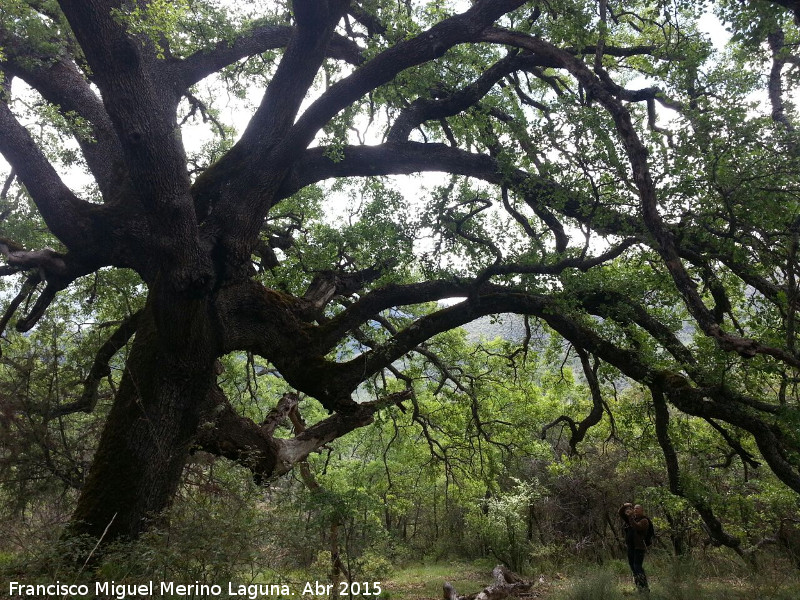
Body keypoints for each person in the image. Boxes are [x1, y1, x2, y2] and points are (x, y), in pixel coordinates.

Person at [618, 502, 650, 592]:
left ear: (642, 510)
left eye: (637, 508)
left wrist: (631, 517)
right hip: (630, 547)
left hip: (639, 547)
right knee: (633, 568)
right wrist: (625, 506)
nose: (635, 510)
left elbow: (637, 527)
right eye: (634, 508)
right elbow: (620, 513)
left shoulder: (644, 520)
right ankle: (639, 588)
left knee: (637, 567)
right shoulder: (631, 519)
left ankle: (645, 588)